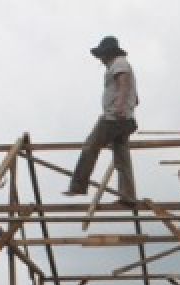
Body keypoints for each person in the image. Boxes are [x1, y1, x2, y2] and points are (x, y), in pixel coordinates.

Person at [65, 36, 138, 203]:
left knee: (90, 146)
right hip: (125, 119)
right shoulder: (121, 64)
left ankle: (78, 186)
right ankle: (128, 196)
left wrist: (120, 105)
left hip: (114, 117)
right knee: (121, 157)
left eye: (102, 55)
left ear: (108, 53)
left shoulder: (119, 63)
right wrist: (127, 105)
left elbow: (124, 83)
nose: (101, 59)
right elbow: (135, 96)